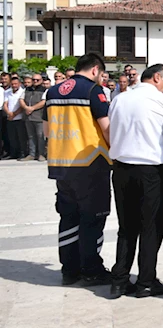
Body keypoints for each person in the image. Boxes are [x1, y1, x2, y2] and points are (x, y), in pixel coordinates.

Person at [108, 64, 163, 299]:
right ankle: (146, 281)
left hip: (121, 169)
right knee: (150, 226)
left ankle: (119, 281)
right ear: (157, 78)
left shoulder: (119, 99)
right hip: (150, 170)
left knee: (126, 227)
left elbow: (111, 130)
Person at [43, 53, 113, 286]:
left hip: (61, 163)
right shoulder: (94, 91)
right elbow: (106, 128)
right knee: (93, 218)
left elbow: (46, 131)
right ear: (95, 70)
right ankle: (92, 269)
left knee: (68, 217)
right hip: (90, 162)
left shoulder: (52, 92)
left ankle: (69, 270)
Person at [19, 74, 47, 161]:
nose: (35, 81)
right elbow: (21, 99)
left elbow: (43, 102)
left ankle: (41, 154)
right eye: (34, 79)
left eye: (37, 80)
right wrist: (26, 108)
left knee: (40, 136)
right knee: (31, 136)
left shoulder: (44, 90)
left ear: (41, 80)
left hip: (39, 117)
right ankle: (32, 154)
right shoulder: (27, 89)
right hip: (28, 117)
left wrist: (32, 108)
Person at [3, 76, 27, 159]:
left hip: (19, 118)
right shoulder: (7, 92)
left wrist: (14, 114)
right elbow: (5, 104)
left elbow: (21, 105)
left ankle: (22, 153)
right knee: (12, 138)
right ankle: (13, 154)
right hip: (10, 118)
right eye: (12, 84)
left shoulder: (23, 92)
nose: (14, 85)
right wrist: (9, 113)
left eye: (16, 84)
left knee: (21, 138)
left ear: (19, 84)